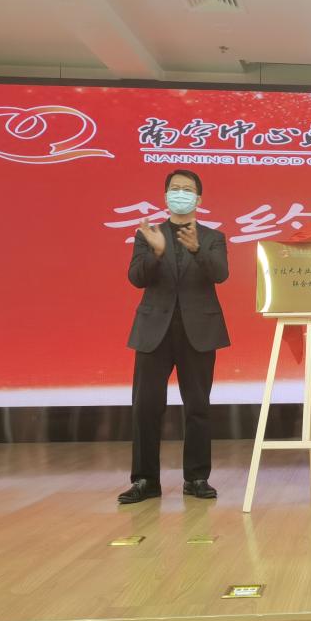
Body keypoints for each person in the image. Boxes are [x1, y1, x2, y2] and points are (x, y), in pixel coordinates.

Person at [118, 169, 230, 504]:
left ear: (199, 198)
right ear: (166, 195)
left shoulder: (213, 237)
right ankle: (145, 480)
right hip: (154, 330)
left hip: (199, 330)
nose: (180, 193)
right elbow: (136, 278)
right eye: (175, 188)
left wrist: (196, 250)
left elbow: (221, 273)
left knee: (198, 406)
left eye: (187, 189)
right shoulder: (148, 235)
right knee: (145, 406)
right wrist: (155, 253)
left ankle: (196, 478)